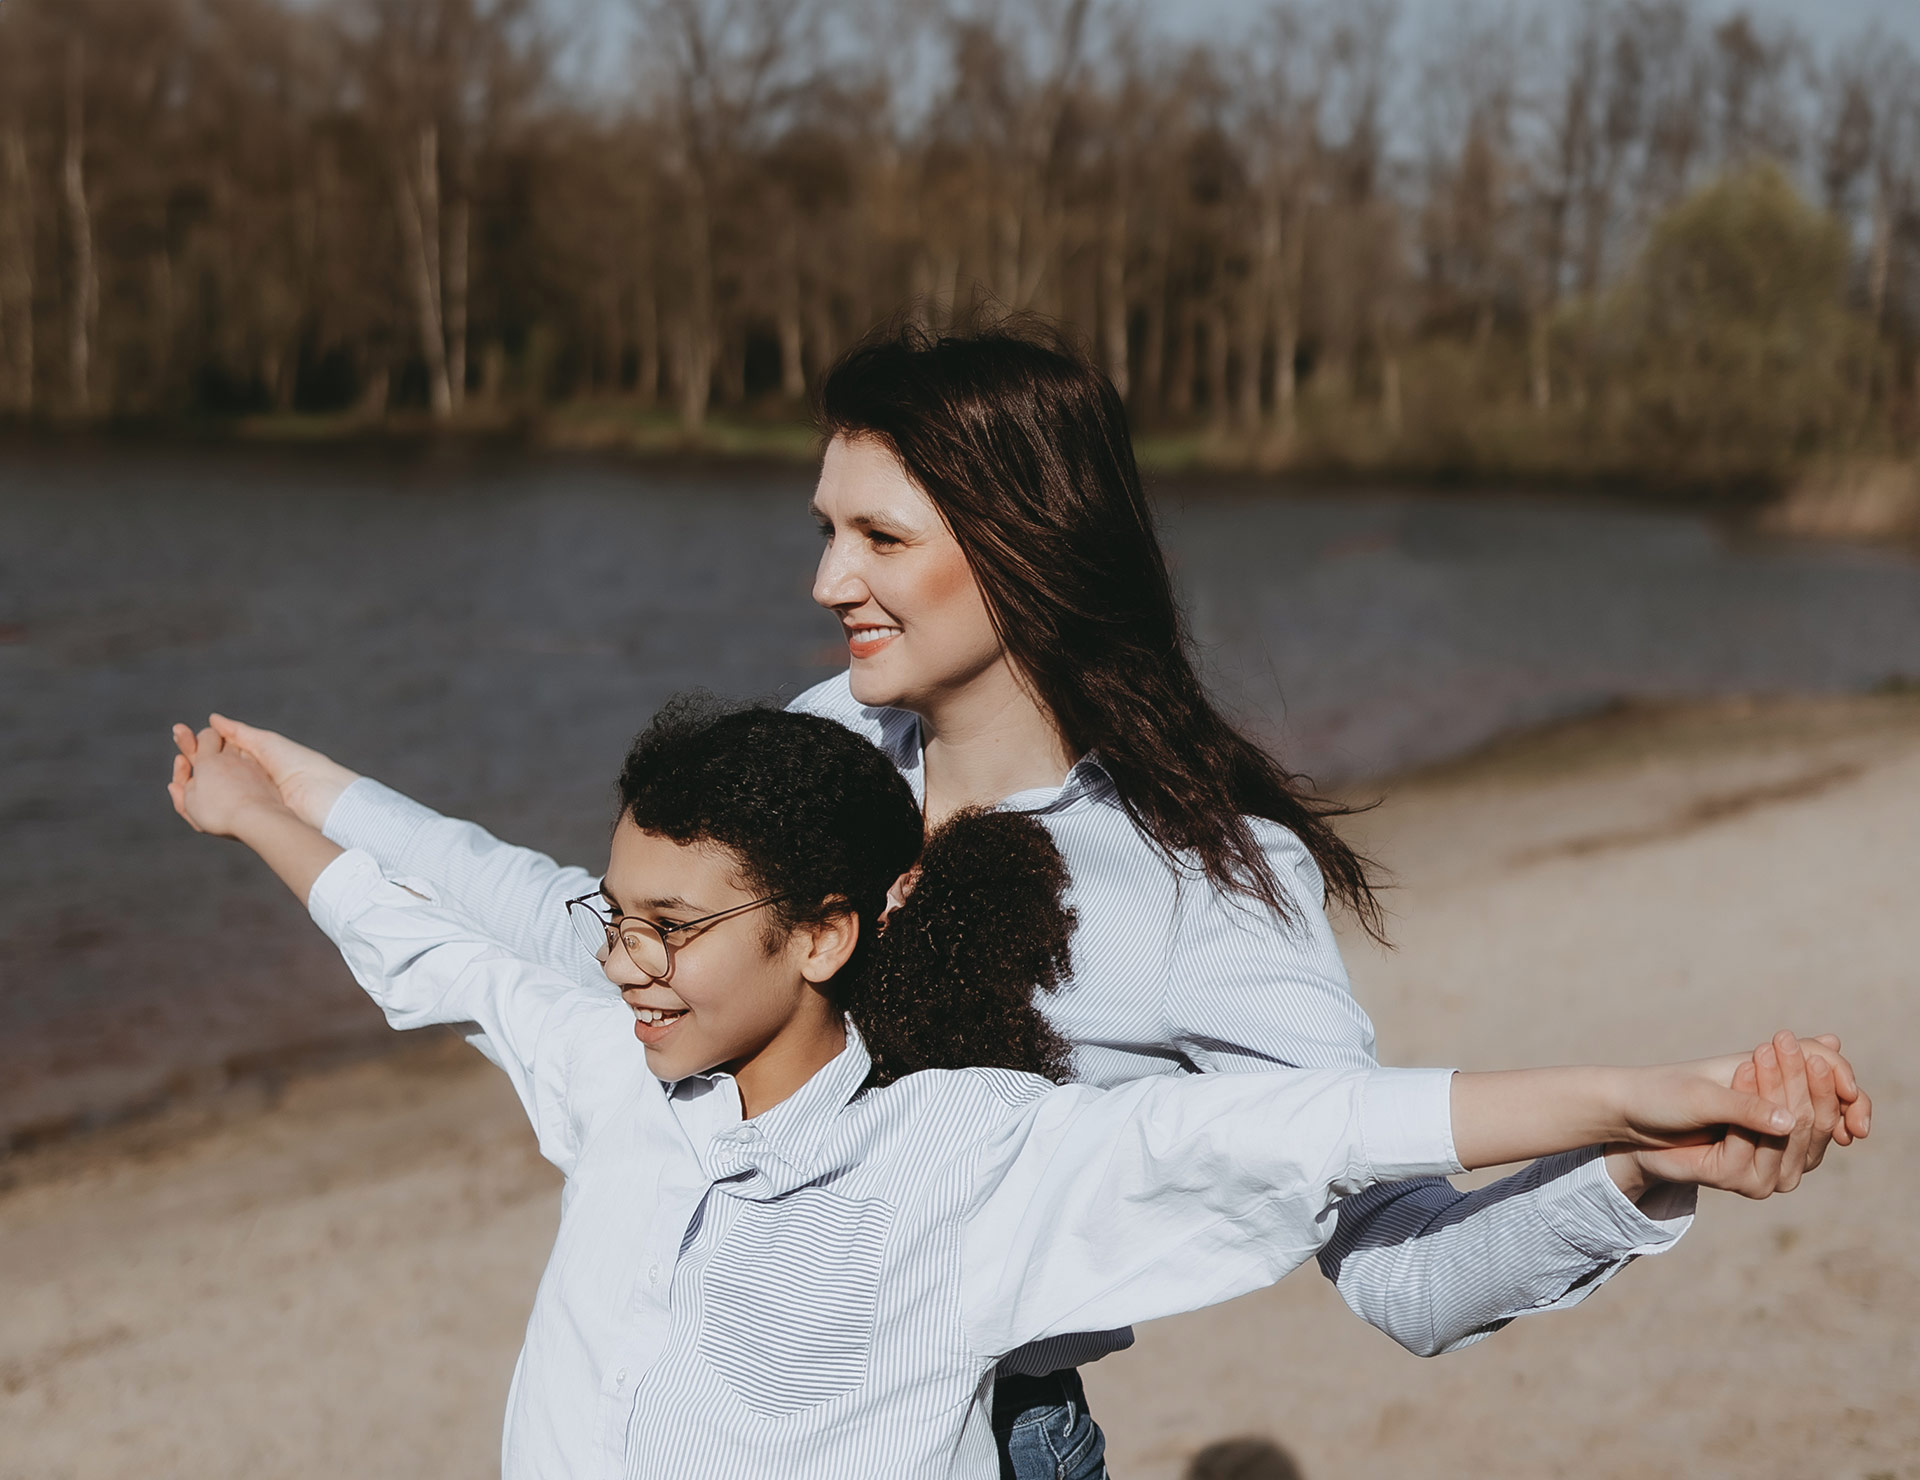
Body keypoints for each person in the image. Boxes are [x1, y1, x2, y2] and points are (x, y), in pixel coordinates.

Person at [208, 324, 1870, 1478]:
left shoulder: (1201, 873)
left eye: (876, 536)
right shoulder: (829, 740)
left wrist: (1633, 1177)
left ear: (1016, 540)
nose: (824, 579)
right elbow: (605, 935)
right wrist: (323, 798)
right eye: (824, 529)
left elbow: (1384, 1253)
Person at [167, 701, 1831, 1480]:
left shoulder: (970, 1160)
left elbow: (1306, 1126)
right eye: (623, 919)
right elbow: (440, 944)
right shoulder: (618, 1067)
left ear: (826, 934)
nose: (631, 962)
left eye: (677, 928)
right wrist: (264, 812)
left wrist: (1639, 1114)